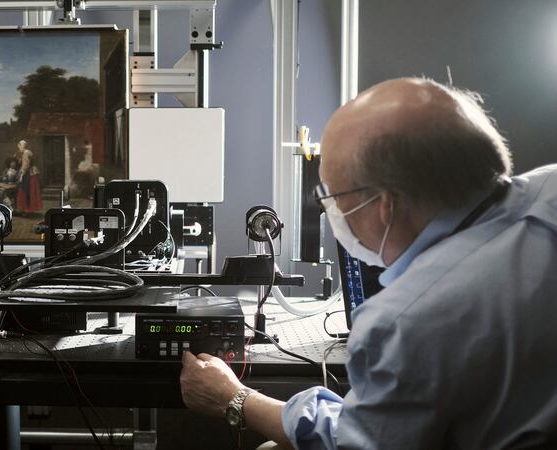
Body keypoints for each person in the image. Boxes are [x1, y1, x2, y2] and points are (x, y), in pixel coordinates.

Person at [180, 77, 557, 449]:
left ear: (384, 205)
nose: (333, 213)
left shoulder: (407, 321)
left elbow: (358, 443)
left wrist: (238, 398)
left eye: (334, 199)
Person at [16, 139, 43, 213]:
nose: (19, 149)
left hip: (29, 174)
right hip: (32, 173)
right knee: (31, 190)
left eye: (19, 147)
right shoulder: (28, 152)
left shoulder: (25, 153)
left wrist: (22, 174)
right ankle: (29, 209)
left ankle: (27, 209)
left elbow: (26, 165)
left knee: (27, 189)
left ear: (21, 146)